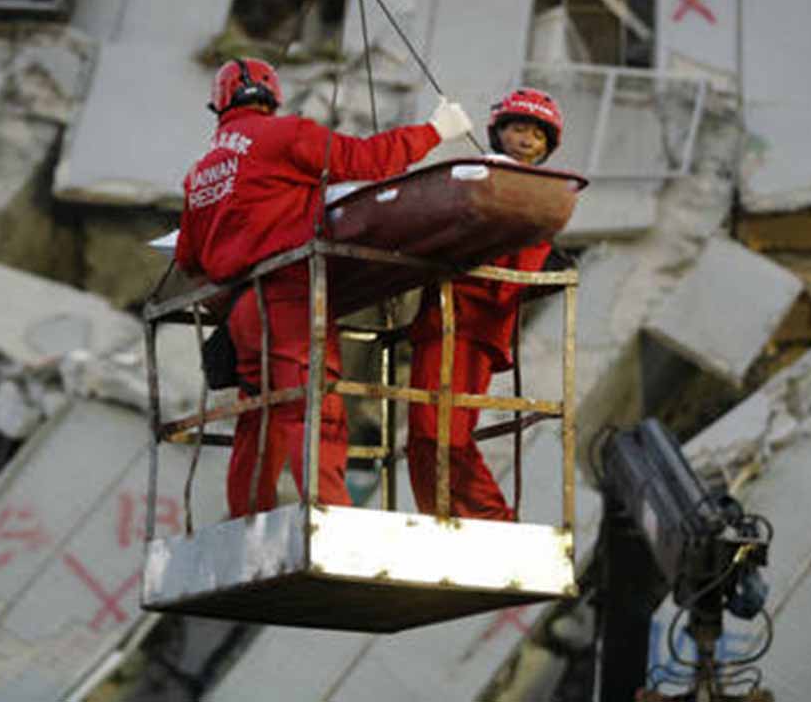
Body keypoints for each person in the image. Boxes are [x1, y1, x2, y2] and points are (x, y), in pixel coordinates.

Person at [174, 57, 472, 518]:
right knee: (315, 408)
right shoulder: (285, 135)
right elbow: (368, 160)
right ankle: (331, 520)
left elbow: (189, 258)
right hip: (289, 294)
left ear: (219, 104)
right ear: (272, 96)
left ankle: (246, 522)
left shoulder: (201, 173)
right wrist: (435, 131)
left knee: (260, 418)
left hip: (242, 310)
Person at [406, 88, 566, 522]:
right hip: (446, 319)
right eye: (518, 129)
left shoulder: (542, 195)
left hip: (474, 324)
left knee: (444, 434)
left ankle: (493, 520)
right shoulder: (480, 179)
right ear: (499, 133)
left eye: (537, 134)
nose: (527, 139)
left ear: (547, 146)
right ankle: (442, 518)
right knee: (425, 436)